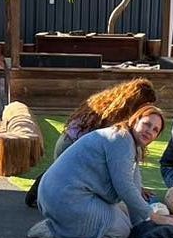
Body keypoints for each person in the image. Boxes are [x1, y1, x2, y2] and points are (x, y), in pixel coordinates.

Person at [32, 107, 173, 238]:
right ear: (135, 120)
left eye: (155, 130)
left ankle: (65, 224)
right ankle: (54, 230)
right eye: (146, 124)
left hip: (68, 193)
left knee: (127, 217)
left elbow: (135, 185)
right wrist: (153, 216)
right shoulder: (121, 139)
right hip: (63, 197)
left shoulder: (132, 144)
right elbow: (124, 187)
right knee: (121, 232)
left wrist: (144, 220)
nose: (149, 131)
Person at [25, 78, 157, 208]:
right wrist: (133, 189)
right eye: (145, 105)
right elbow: (115, 153)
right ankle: (42, 188)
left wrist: (137, 186)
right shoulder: (117, 115)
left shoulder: (113, 105)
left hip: (73, 143)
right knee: (74, 175)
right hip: (70, 145)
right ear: (136, 102)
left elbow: (129, 155)